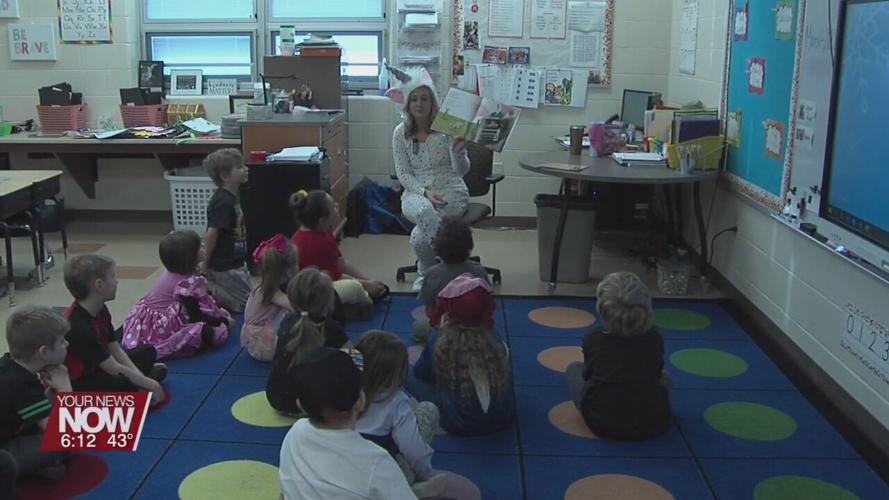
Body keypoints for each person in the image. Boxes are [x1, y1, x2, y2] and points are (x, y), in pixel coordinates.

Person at [278, 347, 416, 500]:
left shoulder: (294, 434)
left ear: (301, 405)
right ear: (361, 401)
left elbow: (285, 493)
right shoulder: (376, 462)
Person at [564, 271, 672, 440]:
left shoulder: (594, 338)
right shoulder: (655, 338)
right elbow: (657, 373)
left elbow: (587, 375)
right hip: (652, 422)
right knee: (666, 378)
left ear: (602, 309)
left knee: (573, 368)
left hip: (601, 422)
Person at [391, 69, 471, 290]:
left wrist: (458, 151)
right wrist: (425, 192)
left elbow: (462, 171)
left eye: (424, 98)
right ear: (407, 104)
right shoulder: (400, 133)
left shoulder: (446, 129)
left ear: (432, 101)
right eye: (414, 99)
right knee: (423, 212)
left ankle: (426, 274)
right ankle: (450, 269)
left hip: (451, 190)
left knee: (418, 237)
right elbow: (404, 174)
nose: (419, 104)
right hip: (416, 192)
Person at [408, 274, 514, 436]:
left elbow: (420, 372)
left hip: (457, 423)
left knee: (406, 374)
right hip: (502, 418)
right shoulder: (494, 337)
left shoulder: (439, 339)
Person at [62, 254, 166, 405]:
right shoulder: (78, 326)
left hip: (101, 366)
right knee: (118, 382)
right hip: (81, 381)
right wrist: (151, 385)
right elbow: (112, 367)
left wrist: (144, 382)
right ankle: (131, 392)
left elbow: (115, 349)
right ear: (99, 285)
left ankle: (137, 382)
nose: (116, 282)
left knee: (148, 351)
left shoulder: (100, 309)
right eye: (112, 277)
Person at [122, 230, 230, 359]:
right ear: (190, 256)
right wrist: (223, 321)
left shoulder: (173, 270)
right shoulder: (186, 283)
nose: (203, 247)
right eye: (199, 246)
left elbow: (201, 301)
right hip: (159, 329)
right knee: (215, 334)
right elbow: (195, 316)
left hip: (146, 323)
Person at [355, 331, 439, 486]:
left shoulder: (340, 390)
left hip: (343, 470)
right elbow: (413, 450)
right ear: (397, 373)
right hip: (381, 474)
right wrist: (426, 474)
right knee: (428, 409)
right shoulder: (396, 402)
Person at [1, 306, 72, 488]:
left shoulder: (8, 365)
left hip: (10, 434)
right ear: (44, 353)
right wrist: (65, 388)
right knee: (64, 446)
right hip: (5, 451)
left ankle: (36, 466)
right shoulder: (22, 386)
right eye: (62, 341)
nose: (67, 345)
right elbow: (65, 434)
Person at [266, 268, 349, 415]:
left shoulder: (287, 320)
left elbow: (277, 352)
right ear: (330, 301)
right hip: (312, 404)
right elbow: (356, 361)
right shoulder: (331, 328)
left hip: (276, 397)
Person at [290, 189, 389, 308]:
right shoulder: (314, 244)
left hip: (324, 279)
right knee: (355, 288)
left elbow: (340, 262)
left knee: (365, 286)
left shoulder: (323, 230)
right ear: (321, 220)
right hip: (311, 291)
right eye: (333, 207)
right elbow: (337, 277)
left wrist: (368, 281)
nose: (337, 205)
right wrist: (366, 286)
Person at [414, 217, 489, 343]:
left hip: (446, 330)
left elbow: (430, 311)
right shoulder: (480, 271)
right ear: (469, 246)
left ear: (437, 246)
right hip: (476, 330)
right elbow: (487, 305)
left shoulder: (432, 274)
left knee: (419, 327)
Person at [201, 148, 251, 313]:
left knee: (249, 299)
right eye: (240, 167)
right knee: (245, 306)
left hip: (235, 261)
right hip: (224, 264)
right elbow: (212, 234)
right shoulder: (222, 202)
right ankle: (208, 290)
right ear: (225, 176)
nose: (246, 169)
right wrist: (205, 263)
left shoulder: (232, 197)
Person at [242, 234, 299, 362]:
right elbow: (295, 306)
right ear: (288, 271)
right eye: (297, 263)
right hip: (261, 346)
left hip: (258, 338)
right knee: (294, 314)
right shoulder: (271, 292)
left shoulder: (266, 285)